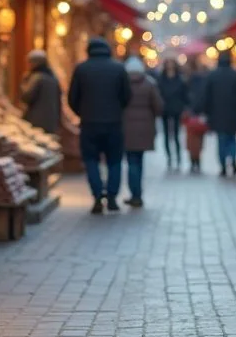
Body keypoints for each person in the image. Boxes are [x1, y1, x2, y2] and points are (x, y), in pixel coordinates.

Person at [68, 36, 132, 214]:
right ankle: (112, 197)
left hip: (89, 123)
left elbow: (72, 98)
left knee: (91, 160)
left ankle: (97, 195)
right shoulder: (118, 68)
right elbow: (127, 96)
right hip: (113, 123)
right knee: (114, 161)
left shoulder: (81, 69)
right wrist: (117, 110)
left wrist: (83, 113)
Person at [201, 50, 236, 177]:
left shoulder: (212, 75)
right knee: (232, 138)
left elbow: (206, 96)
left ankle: (223, 165)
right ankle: (233, 160)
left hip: (217, 113)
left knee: (221, 139)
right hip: (233, 112)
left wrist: (206, 112)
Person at [121, 56, 163, 207]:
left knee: (131, 161)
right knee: (139, 161)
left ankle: (135, 194)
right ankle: (137, 194)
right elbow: (159, 106)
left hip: (126, 127)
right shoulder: (149, 84)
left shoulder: (123, 85)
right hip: (145, 129)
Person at [156, 58, 188, 169]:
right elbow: (158, 94)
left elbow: (184, 95)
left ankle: (178, 157)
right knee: (166, 135)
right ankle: (169, 157)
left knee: (176, 135)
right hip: (165, 109)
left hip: (176, 109)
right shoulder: (161, 79)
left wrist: (185, 107)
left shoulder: (180, 79)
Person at [19, 50, 61, 135]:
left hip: (36, 122)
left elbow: (26, 97)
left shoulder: (36, 77)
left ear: (35, 62)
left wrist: (24, 83)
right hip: (51, 121)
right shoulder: (53, 77)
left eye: (30, 62)